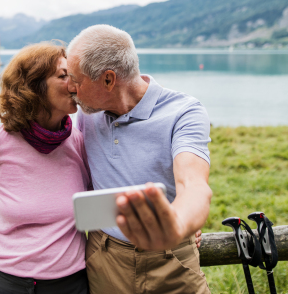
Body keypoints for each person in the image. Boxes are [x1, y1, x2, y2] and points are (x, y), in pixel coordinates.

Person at [66, 24, 213, 294]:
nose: (70, 87)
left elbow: (193, 184)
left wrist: (179, 223)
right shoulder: (85, 114)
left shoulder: (184, 113)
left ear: (108, 80)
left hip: (171, 259)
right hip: (104, 258)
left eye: (76, 79)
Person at [0, 42, 90, 294]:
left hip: (72, 283)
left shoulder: (80, 142)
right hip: (6, 282)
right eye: (64, 76)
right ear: (34, 87)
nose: (75, 83)